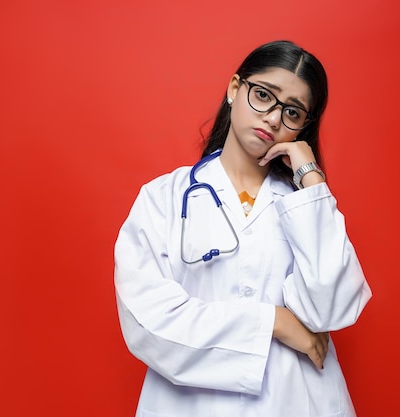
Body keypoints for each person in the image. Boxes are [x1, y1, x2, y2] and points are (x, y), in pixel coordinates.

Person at [114, 40, 372, 417]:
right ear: (235, 89)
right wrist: (274, 322)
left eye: (293, 112)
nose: (272, 118)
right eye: (264, 95)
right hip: (188, 406)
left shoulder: (305, 206)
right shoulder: (163, 198)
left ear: (304, 126)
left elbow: (330, 309)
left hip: (297, 402)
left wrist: (312, 180)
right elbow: (149, 324)